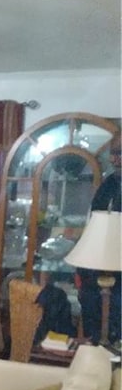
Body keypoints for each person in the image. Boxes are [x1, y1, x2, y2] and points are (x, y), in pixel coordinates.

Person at [76, 131, 121, 344]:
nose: (114, 159)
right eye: (113, 153)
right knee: (96, 336)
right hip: (98, 268)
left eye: (120, 153)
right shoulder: (108, 184)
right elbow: (92, 222)